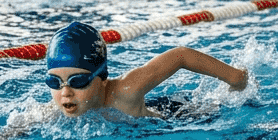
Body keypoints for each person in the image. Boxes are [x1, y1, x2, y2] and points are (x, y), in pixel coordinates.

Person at [45, 22, 248, 118]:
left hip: (178, 117)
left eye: (78, 81)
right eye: (54, 82)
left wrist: (235, 77)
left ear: (103, 77)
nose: (65, 93)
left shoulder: (126, 91)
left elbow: (180, 56)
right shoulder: (57, 109)